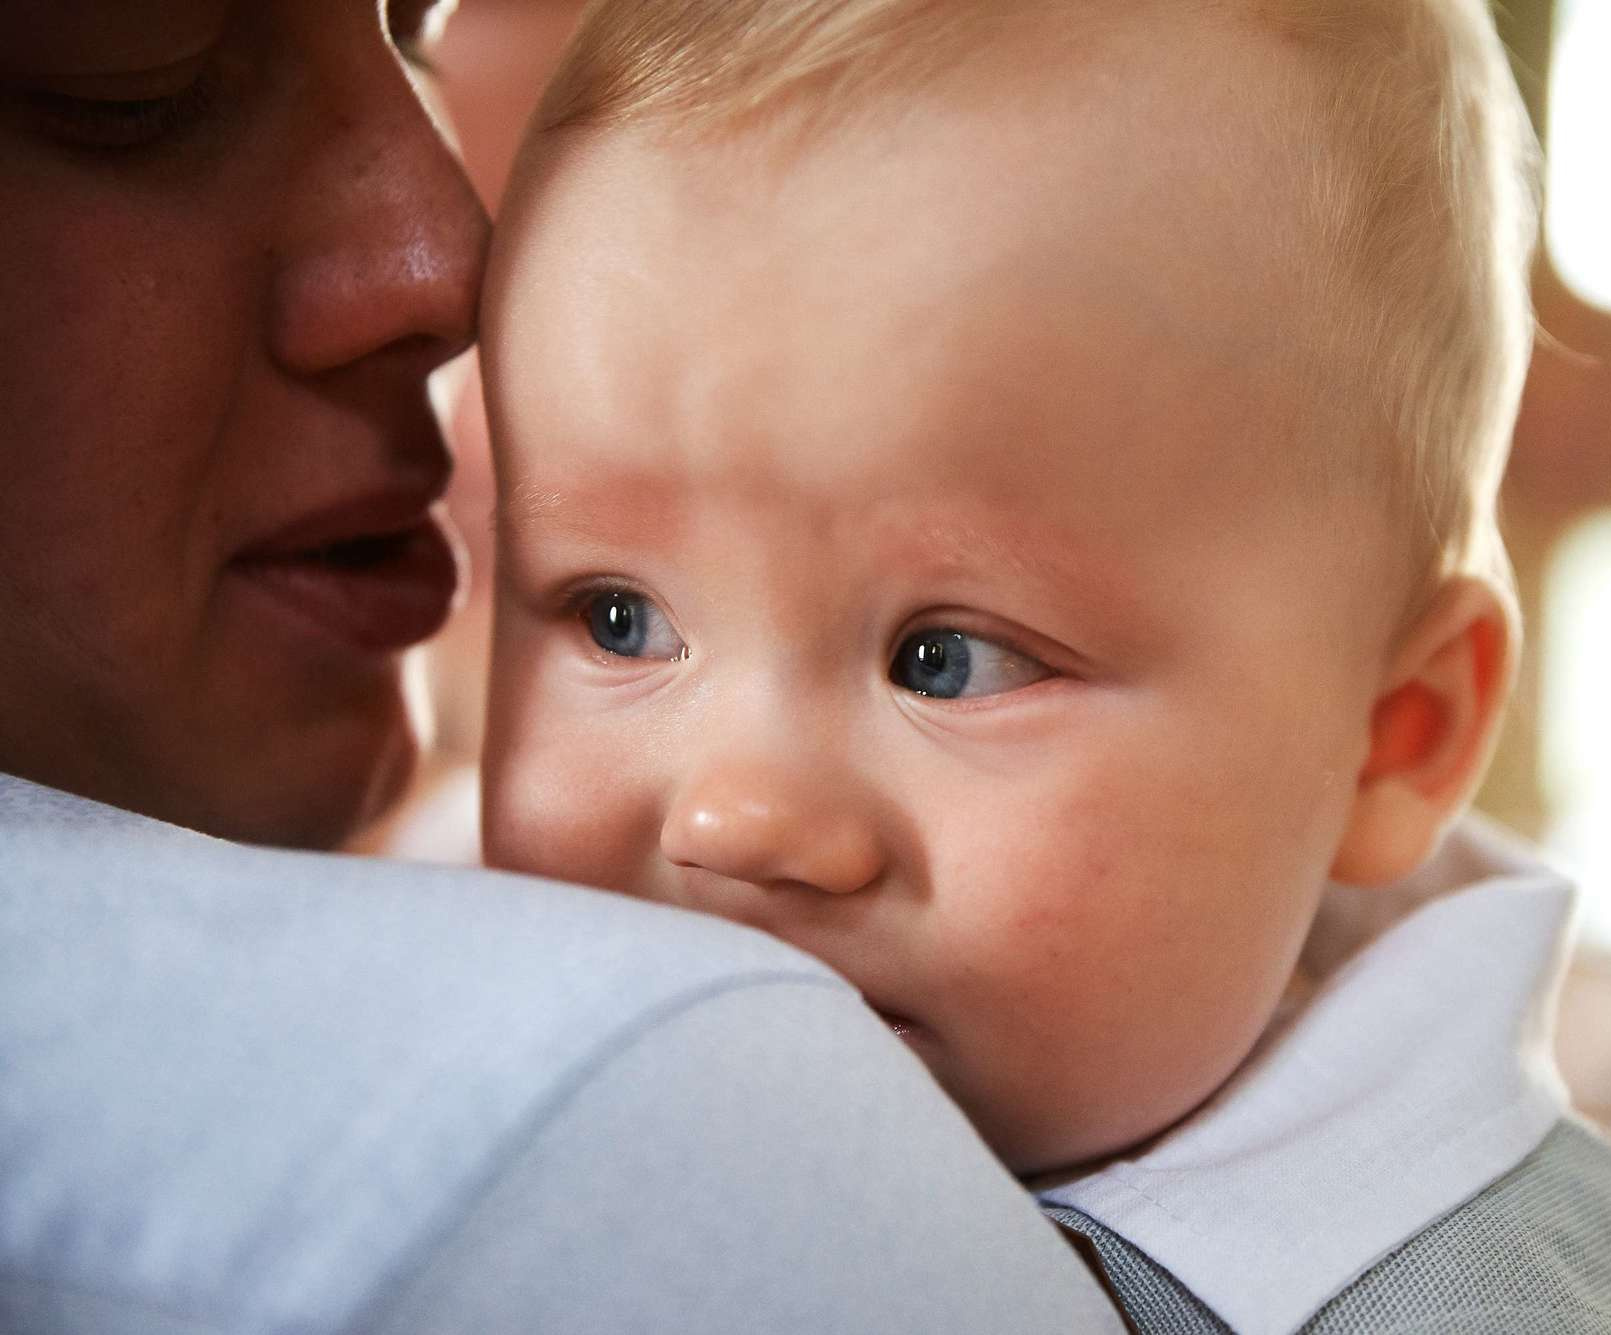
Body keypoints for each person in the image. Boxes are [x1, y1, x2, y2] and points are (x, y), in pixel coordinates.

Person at [477, 0, 1611, 1330]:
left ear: (1394, 732)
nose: (733, 817)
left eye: (948, 661)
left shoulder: (1487, 1300)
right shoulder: (466, 1063)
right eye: (617, 618)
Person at [0, 2, 1123, 1330]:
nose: (456, 259)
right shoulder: (633, 1124)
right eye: (141, 79)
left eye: (417, 25)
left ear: (1399, 733)